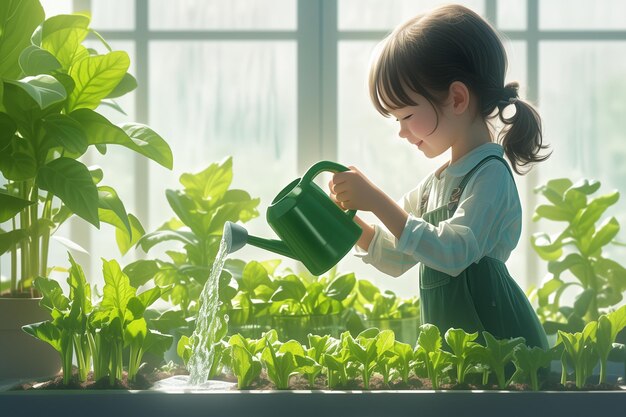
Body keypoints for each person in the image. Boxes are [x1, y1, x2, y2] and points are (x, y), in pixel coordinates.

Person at [328, 4, 551, 359]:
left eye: (406, 115)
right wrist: (345, 221)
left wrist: (376, 200)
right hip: (454, 350)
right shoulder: (434, 186)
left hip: (500, 342)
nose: (401, 131)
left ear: (457, 99)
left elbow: (453, 251)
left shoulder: (490, 175)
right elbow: (396, 257)